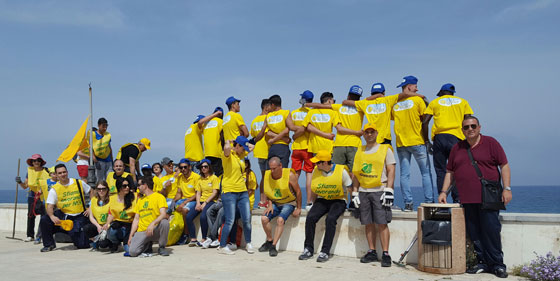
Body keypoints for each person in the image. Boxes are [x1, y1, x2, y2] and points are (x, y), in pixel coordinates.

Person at [438, 116, 512, 278]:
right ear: (462, 130)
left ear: (479, 127)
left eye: (473, 126)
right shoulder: (457, 148)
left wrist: (506, 188)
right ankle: (482, 262)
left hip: (489, 196)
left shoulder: (491, 143)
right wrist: (444, 192)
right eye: (466, 127)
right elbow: (450, 172)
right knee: (474, 232)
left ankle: (497, 265)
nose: (470, 129)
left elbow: (504, 165)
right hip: (467, 198)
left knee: (491, 230)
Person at [351, 123, 396, 267]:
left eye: (372, 132)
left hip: (380, 190)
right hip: (364, 191)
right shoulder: (360, 150)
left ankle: (386, 253)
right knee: (368, 223)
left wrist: (389, 190)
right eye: (367, 132)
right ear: (363, 134)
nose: (369, 134)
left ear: (376, 133)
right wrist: (355, 192)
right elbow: (356, 174)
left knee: (382, 223)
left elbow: (391, 170)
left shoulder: (385, 149)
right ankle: (372, 251)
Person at [298, 150, 353, 263]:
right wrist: (311, 203)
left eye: (318, 162)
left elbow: (350, 187)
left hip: (338, 200)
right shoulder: (316, 171)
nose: (315, 165)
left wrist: (353, 202)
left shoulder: (341, 171)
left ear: (324, 163)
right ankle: (308, 249)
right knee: (310, 218)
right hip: (322, 200)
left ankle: (325, 251)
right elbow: (314, 188)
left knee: (331, 219)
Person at [423, 83, 473, 203]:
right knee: (457, 169)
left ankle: (442, 199)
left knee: (440, 170)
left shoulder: (435, 102)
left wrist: (427, 141)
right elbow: (468, 120)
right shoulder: (463, 102)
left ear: (441, 93)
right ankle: (458, 199)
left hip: (439, 138)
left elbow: (425, 122)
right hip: (457, 138)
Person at [392, 75, 434, 210]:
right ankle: (429, 202)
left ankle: (408, 203)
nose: (417, 89)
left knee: (404, 174)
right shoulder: (418, 100)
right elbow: (424, 119)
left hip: (401, 143)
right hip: (417, 141)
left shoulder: (395, 104)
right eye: (415, 87)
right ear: (410, 86)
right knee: (426, 173)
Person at [39, 164, 92, 252]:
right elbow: (49, 206)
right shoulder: (54, 189)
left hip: (79, 216)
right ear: (56, 175)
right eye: (60, 173)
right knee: (45, 219)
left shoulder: (78, 182)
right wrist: (52, 216)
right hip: (64, 217)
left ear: (67, 172)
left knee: (82, 245)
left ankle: (79, 236)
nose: (63, 174)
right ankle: (49, 244)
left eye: (64, 172)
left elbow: (91, 191)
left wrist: (90, 206)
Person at [218, 136, 255, 255]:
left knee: (247, 219)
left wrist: (243, 143)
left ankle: (249, 243)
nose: (245, 150)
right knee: (230, 220)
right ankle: (223, 246)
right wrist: (230, 141)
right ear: (237, 146)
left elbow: (252, 147)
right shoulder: (227, 156)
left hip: (242, 191)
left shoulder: (241, 156)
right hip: (229, 192)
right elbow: (227, 148)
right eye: (242, 147)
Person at [259, 157, 302, 257]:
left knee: (280, 220)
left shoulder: (290, 175)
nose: (272, 171)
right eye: (271, 168)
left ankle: (274, 246)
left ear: (280, 166)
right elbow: (269, 192)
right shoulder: (268, 175)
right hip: (276, 202)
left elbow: (298, 191)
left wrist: (299, 208)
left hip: (289, 202)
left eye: (274, 168)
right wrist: (270, 205)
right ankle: (269, 241)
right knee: (264, 218)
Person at [128, 176, 170, 257]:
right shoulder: (140, 200)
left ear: (145, 185)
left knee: (165, 223)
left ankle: (161, 247)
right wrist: (130, 236)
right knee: (133, 252)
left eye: (139, 185)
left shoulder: (159, 197)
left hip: (155, 229)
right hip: (142, 231)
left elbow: (163, 214)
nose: (138, 187)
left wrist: (153, 223)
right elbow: (136, 219)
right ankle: (147, 244)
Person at [15, 154, 49, 242]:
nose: (36, 162)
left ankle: (41, 235)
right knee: (30, 215)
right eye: (34, 161)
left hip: (43, 196)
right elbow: (25, 186)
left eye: (38, 160)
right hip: (32, 195)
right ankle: (30, 235)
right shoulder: (29, 172)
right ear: (32, 162)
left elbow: (50, 182)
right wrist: (20, 182)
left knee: (44, 216)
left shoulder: (46, 171)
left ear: (41, 162)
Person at [186, 159, 220, 247]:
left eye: (205, 166)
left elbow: (215, 193)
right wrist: (198, 203)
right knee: (189, 217)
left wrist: (205, 203)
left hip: (211, 201)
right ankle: (193, 238)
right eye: (202, 167)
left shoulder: (214, 178)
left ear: (209, 167)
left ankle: (204, 238)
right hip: (201, 201)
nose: (203, 168)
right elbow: (198, 193)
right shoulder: (200, 179)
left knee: (203, 217)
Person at [290, 90, 315, 210]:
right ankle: (309, 202)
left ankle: (292, 200)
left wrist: (295, 136)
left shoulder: (294, 113)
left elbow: (293, 128)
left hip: (296, 147)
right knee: (309, 174)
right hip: (309, 147)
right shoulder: (313, 113)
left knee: (295, 175)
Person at [257, 94, 294, 168]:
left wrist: (274, 139)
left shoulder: (268, 116)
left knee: (271, 172)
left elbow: (267, 132)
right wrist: (283, 138)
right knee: (283, 170)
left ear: (273, 105)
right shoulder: (286, 113)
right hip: (283, 146)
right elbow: (287, 129)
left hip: (272, 146)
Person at [105, 177, 137, 255]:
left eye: (128, 185)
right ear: (119, 187)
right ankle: (116, 243)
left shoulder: (135, 197)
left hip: (131, 224)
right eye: (124, 186)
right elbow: (111, 213)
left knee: (129, 250)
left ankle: (127, 243)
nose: (127, 187)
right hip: (118, 223)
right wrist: (107, 223)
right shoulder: (112, 198)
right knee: (110, 232)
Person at [250, 98, 272, 208]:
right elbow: (269, 134)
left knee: (264, 176)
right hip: (267, 150)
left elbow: (253, 136)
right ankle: (267, 201)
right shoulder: (268, 118)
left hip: (258, 151)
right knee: (269, 177)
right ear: (266, 107)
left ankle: (262, 201)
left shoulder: (254, 120)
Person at [173, 158, 201, 244]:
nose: (183, 169)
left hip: (193, 200)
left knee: (184, 210)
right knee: (167, 208)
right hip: (183, 199)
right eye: (181, 168)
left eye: (185, 167)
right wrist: (173, 201)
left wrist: (184, 203)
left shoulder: (196, 177)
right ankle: (170, 235)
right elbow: (178, 193)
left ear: (189, 167)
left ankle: (185, 234)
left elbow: (197, 194)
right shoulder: (180, 178)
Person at [84, 180, 111, 251]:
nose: (101, 191)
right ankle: (94, 244)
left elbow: (113, 215)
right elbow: (91, 217)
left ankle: (114, 243)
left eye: (103, 189)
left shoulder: (112, 200)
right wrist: (98, 226)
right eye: (99, 189)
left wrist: (106, 225)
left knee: (103, 245)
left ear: (107, 189)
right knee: (87, 228)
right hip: (98, 225)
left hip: (108, 225)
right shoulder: (93, 200)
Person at [200, 107, 225, 176]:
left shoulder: (205, 124)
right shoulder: (221, 122)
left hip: (207, 153)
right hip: (217, 153)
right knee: (218, 175)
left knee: (209, 176)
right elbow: (224, 137)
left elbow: (199, 123)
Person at [91, 117, 113, 182]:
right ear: (98, 125)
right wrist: (95, 160)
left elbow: (109, 148)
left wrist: (112, 160)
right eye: (103, 126)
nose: (105, 128)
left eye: (106, 126)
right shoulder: (93, 135)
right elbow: (90, 148)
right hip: (99, 160)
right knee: (99, 180)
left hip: (108, 160)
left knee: (109, 179)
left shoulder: (107, 135)